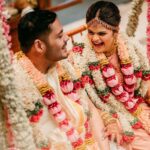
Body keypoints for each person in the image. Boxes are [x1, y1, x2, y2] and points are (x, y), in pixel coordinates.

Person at [13, 9, 113, 150]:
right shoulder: (20, 90)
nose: (67, 38)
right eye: (59, 36)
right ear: (39, 46)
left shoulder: (63, 65)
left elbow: (89, 109)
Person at [66, 1, 150, 150]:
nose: (94, 39)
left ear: (116, 31)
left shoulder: (130, 47)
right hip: (111, 114)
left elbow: (143, 83)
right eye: (91, 32)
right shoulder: (79, 58)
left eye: (101, 33)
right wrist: (108, 120)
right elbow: (83, 100)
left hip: (136, 104)